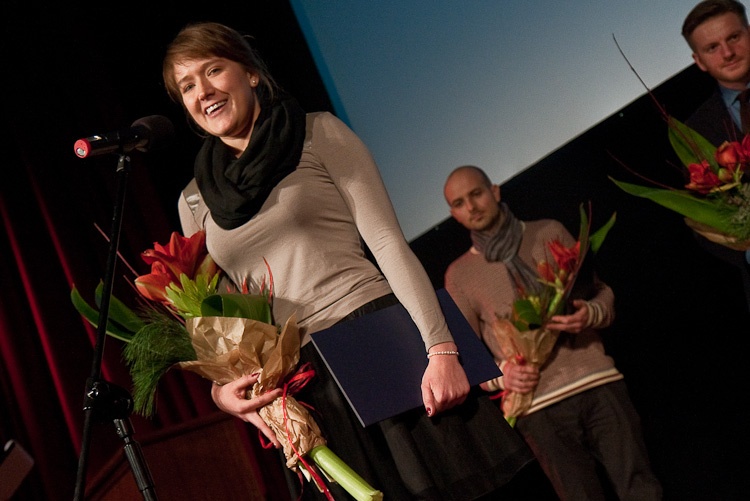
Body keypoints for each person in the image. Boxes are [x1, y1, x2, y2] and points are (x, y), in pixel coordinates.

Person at [161, 22, 538, 500]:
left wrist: (440, 349)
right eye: (187, 85)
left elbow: (387, 243)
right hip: (300, 383)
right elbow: (222, 319)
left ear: (251, 73)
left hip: (375, 338)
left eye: (214, 70)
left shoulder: (317, 132)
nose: (203, 91)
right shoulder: (194, 201)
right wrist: (223, 393)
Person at [442, 165, 663, 501]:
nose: (471, 207)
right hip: (538, 407)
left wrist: (588, 313)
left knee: (641, 490)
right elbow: (470, 360)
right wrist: (505, 375)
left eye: (476, 194)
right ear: (454, 215)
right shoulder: (459, 275)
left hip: (596, 380)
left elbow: (600, 292)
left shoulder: (548, 231)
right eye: (459, 203)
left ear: (495, 191)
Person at [681, 0, 750, 310]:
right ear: (699, 61)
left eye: (733, 37)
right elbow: (704, 219)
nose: (728, 53)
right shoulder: (693, 133)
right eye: (712, 47)